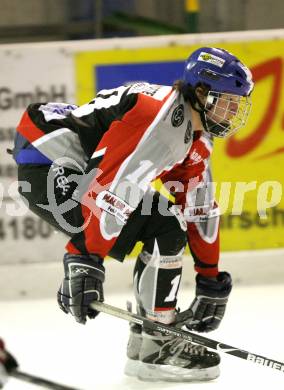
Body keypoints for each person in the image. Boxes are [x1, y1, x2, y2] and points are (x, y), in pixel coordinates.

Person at [12, 47, 253, 382]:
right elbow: (110, 189)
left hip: (75, 167)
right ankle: (157, 342)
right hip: (49, 166)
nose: (233, 112)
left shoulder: (193, 136)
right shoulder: (159, 120)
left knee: (166, 223)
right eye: (228, 100)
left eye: (238, 104)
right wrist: (85, 258)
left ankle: (152, 339)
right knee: (163, 223)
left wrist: (210, 278)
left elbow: (199, 209)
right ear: (200, 92)